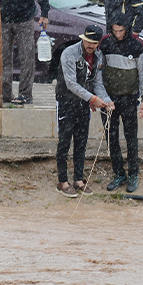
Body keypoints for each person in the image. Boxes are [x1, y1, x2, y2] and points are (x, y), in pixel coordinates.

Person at [55, 25, 113, 198]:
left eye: (95, 43)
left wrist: (106, 99)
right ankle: (62, 181)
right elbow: (71, 83)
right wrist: (93, 99)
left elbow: (97, 83)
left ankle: (78, 180)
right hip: (66, 101)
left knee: (81, 142)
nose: (91, 45)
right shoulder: (69, 53)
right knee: (64, 142)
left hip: (83, 104)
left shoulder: (98, 56)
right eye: (88, 41)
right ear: (83, 38)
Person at [99, 22, 143, 193]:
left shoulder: (137, 44)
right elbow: (100, 70)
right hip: (108, 100)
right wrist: (100, 98)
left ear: (126, 30)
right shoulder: (105, 42)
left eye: (121, 31)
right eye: (115, 31)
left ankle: (133, 174)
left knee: (131, 138)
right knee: (111, 138)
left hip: (129, 98)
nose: (118, 34)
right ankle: (119, 173)